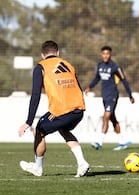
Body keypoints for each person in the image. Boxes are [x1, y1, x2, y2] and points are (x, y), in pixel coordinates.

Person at [18, 40, 89, 177]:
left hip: (62, 110)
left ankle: (37, 168)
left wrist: (29, 121)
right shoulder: (68, 65)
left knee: (39, 129)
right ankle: (82, 163)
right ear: (57, 53)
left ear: (42, 55)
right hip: (79, 109)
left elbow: (35, 95)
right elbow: (78, 88)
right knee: (63, 129)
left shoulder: (41, 67)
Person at [84, 46, 135, 151]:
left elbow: (124, 81)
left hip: (113, 95)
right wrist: (89, 87)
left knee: (106, 116)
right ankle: (122, 142)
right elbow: (97, 78)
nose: (105, 55)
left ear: (110, 54)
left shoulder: (115, 67)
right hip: (105, 96)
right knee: (112, 118)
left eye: (107, 54)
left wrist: (130, 95)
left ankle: (99, 141)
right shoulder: (100, 65)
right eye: (104, 54)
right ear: (101, 54)